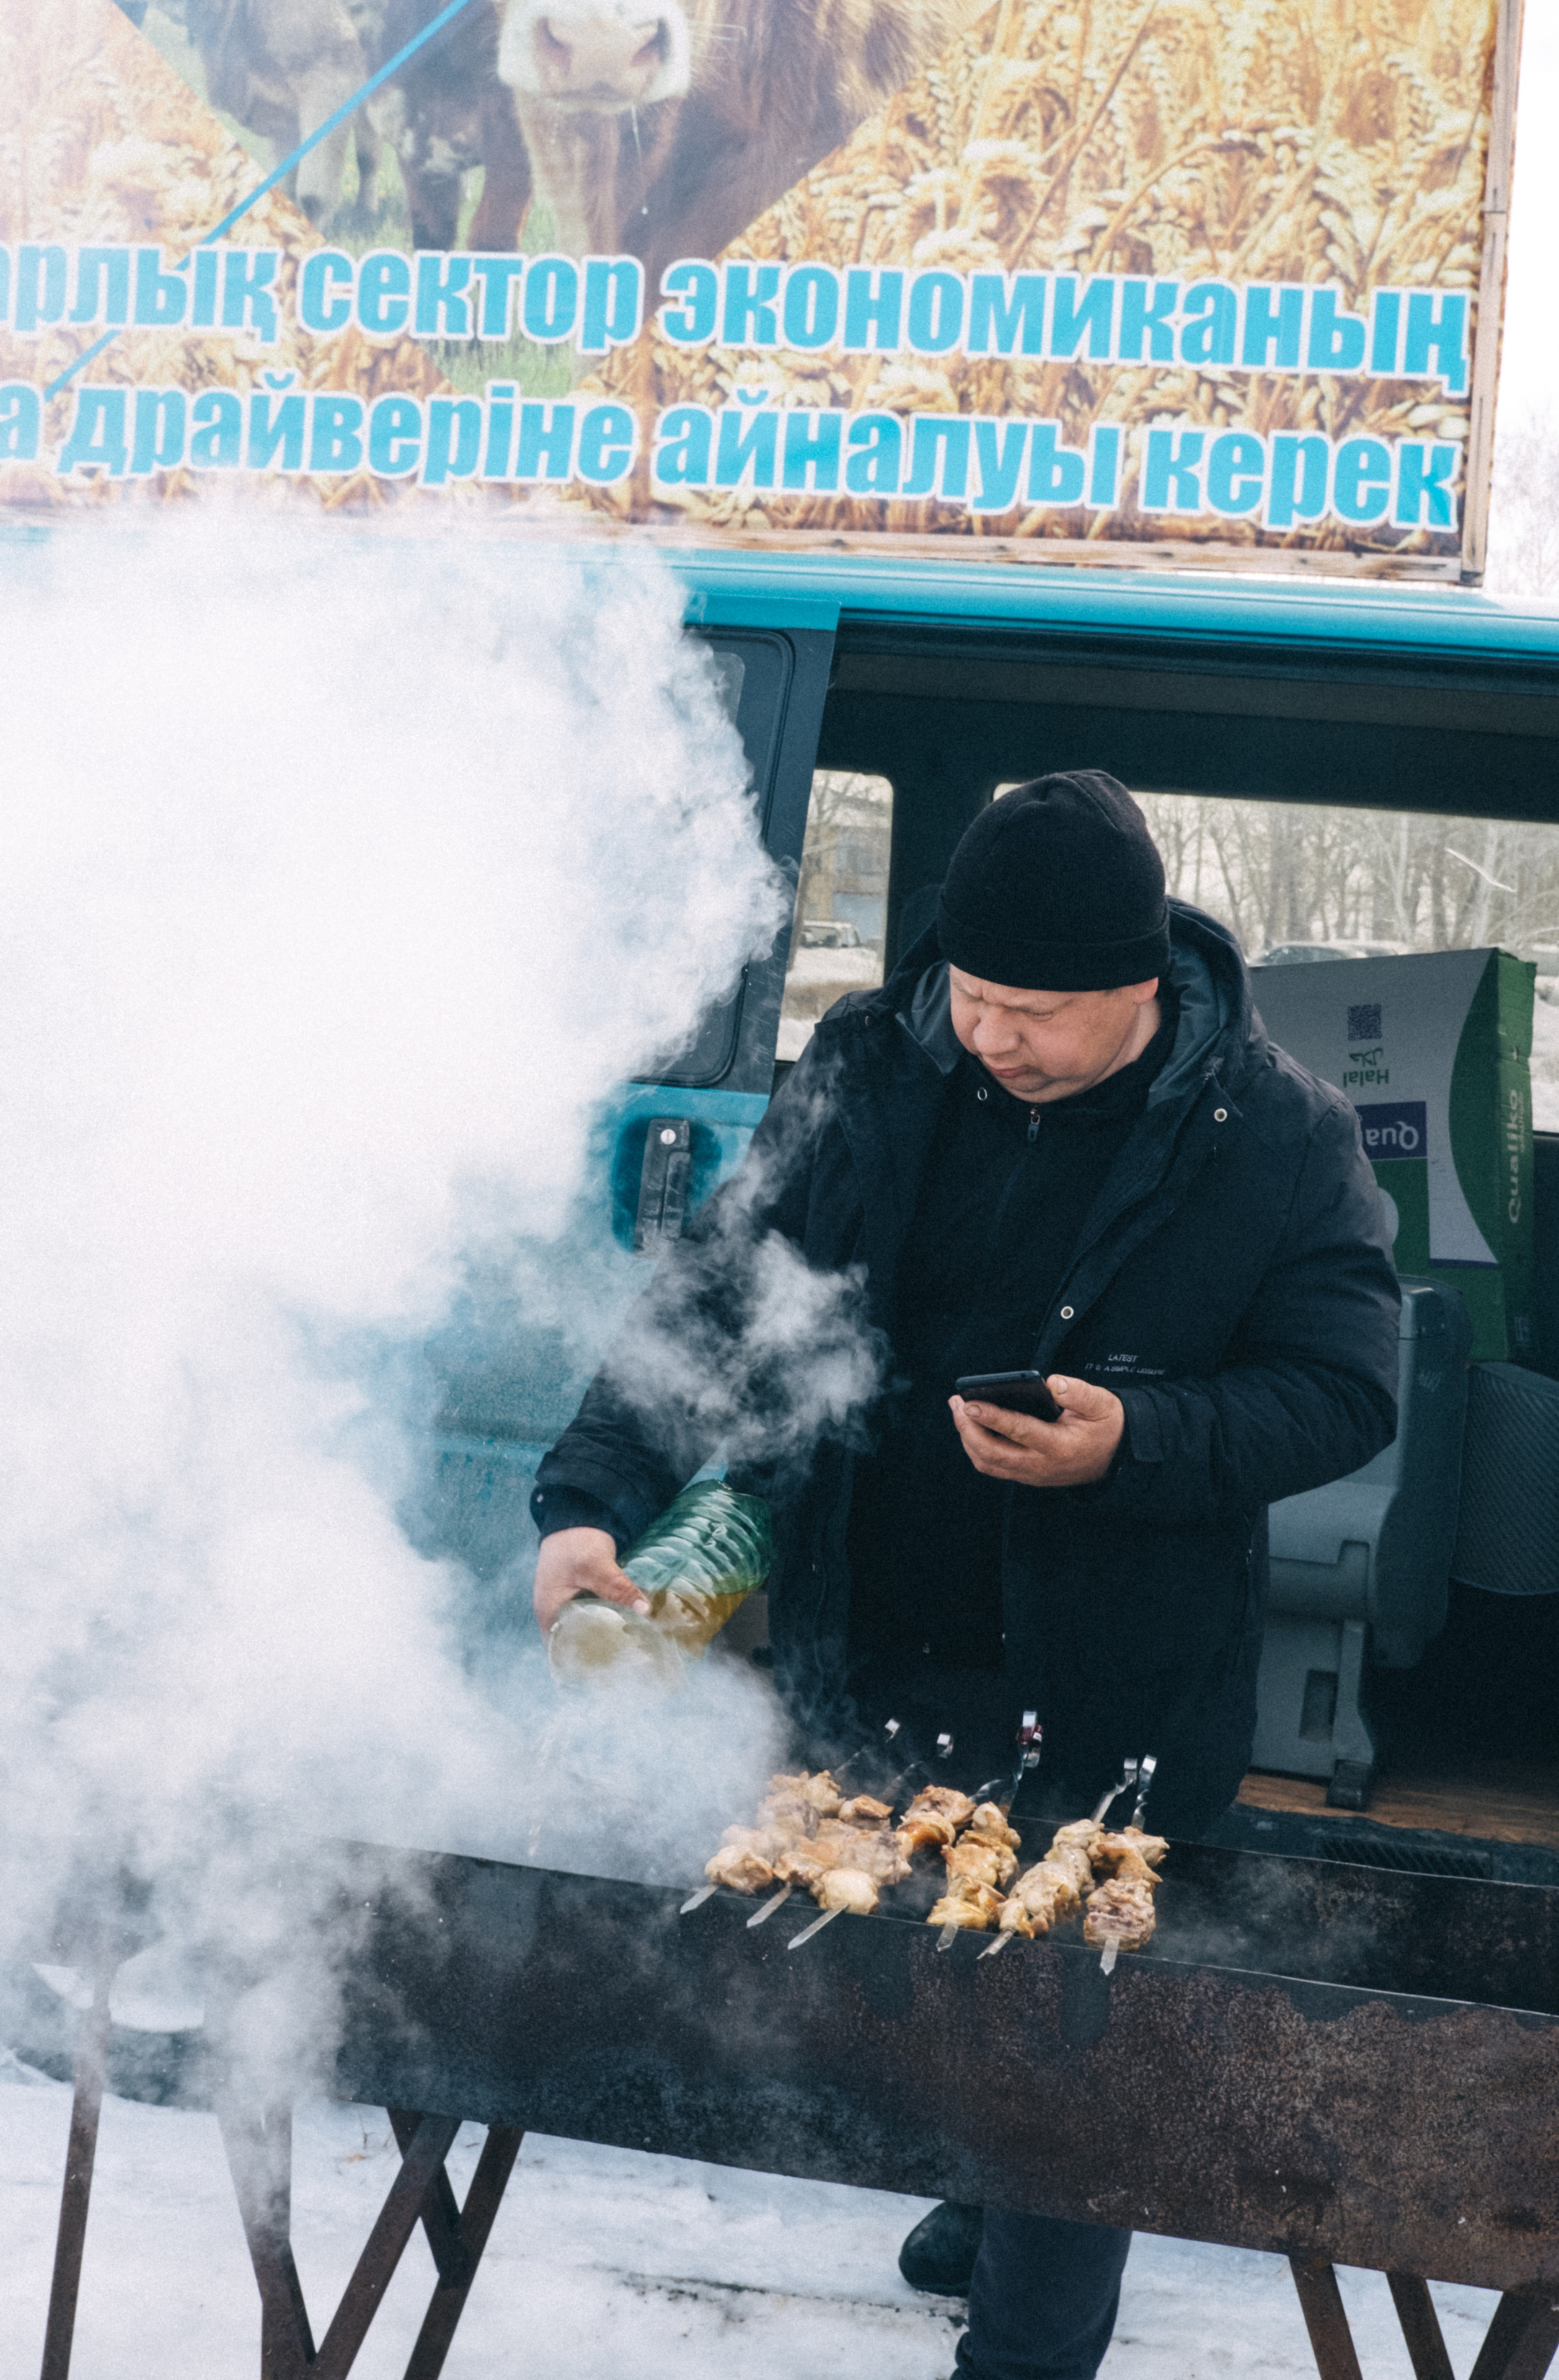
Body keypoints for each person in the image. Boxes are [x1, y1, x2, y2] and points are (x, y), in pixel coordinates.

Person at [531, 770, 1400, 2380]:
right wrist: (588, 1504)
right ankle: (976, 2185)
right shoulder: (875, 1061)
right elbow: (717, 1301)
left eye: (1032, 1011)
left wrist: (1134, 1439)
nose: (988, 1032)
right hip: (881, 1621)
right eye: (970, 992)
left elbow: (1348, 1388)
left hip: (1114, 1664)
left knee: (1074, 2018)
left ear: (1140, 990)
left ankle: (1025, 2330)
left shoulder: (1274, 1134)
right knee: (922, 1927)